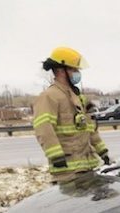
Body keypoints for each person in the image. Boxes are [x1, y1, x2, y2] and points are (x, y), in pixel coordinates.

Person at [33, 47, 109, 183]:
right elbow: (44, 128)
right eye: (74, 69)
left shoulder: (78, 98)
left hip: (87, 166)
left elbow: (90, 129)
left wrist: (102, 151)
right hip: (67, 171)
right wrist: (56, 156)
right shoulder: (49, 96)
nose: (77, 73)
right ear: (60, 70)